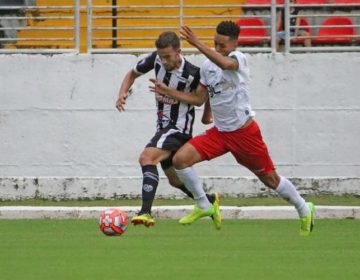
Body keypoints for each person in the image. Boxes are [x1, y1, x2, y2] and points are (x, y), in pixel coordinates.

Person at [149, 21, 315, 236]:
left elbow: (226, 65)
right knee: (180, 160)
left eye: (223, 46)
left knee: (270, 179)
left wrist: (197, 43)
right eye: (215, 44)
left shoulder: (239, 59)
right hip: (220, 134)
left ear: (235, 43)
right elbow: (199, 98)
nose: (218, 49)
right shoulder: (207, 67)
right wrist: (174, 94)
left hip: (245, 134)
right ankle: (203, 204)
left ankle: (304, 208)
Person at [116, 31, 221, 228]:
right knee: (174, 179)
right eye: (161, 56)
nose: (163, 61)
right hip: (163, 128)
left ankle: (145, 212)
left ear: (178, 52)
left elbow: (200, 99)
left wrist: (168, 92)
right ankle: (209, 200)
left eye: (167, 57)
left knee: (146, 158)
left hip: (179, 128)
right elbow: (132, 73)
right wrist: (122, 93)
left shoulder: (192, 73)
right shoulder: (156, 59)